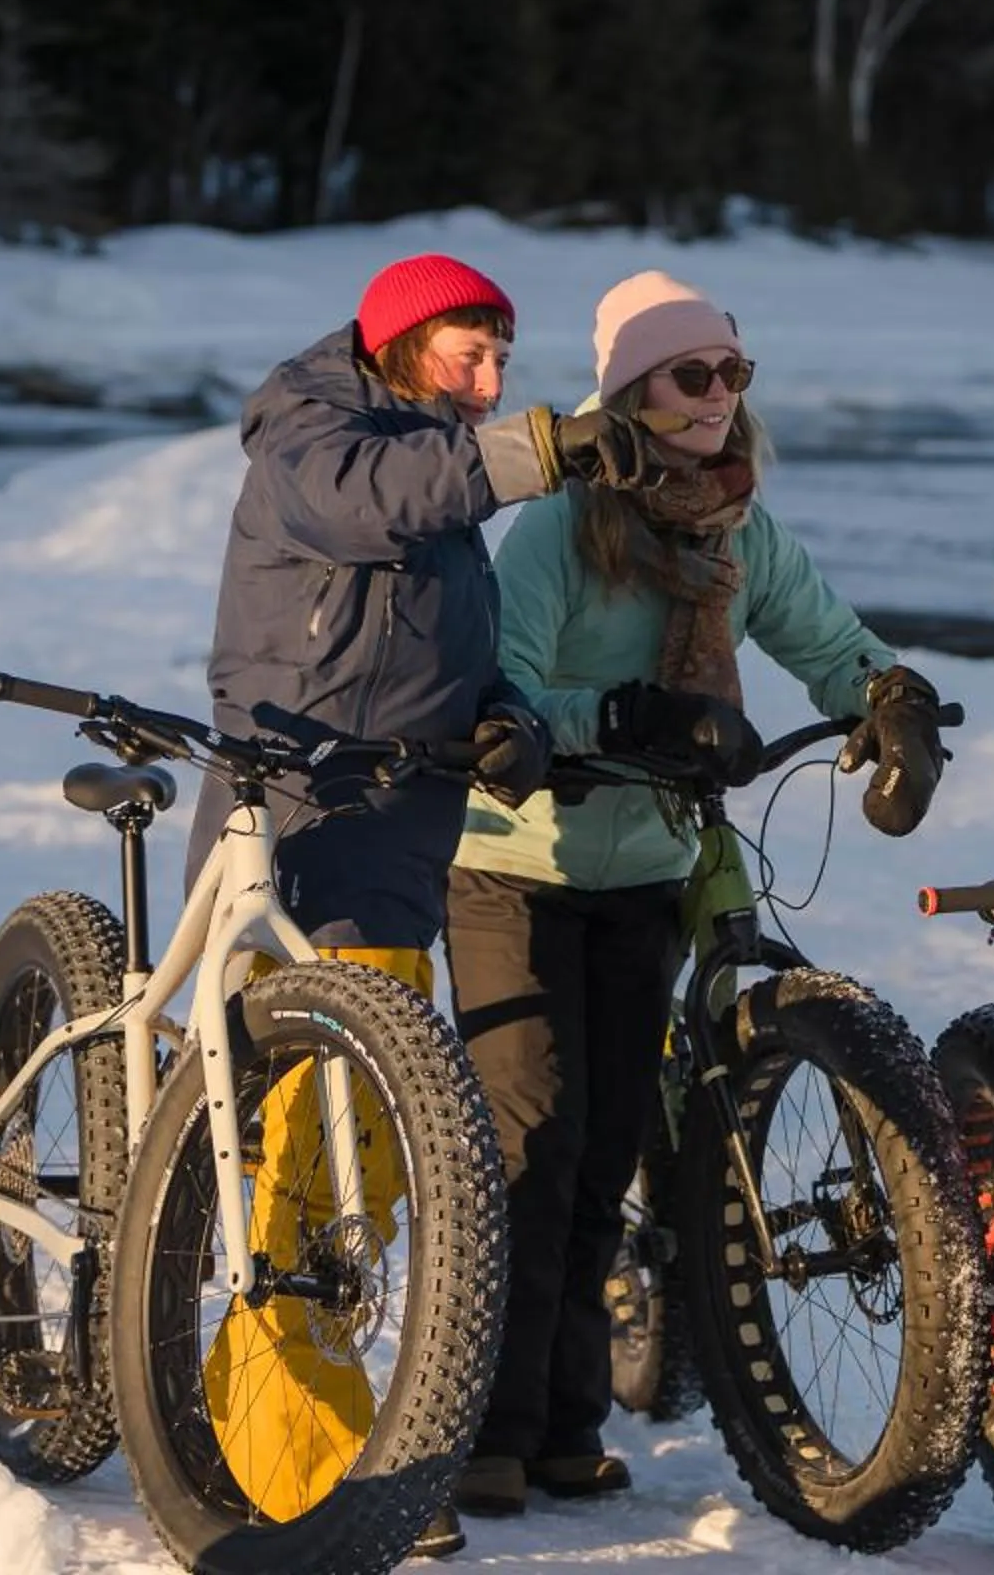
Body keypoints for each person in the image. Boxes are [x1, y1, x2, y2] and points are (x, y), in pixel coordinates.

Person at [442, 269, 947, 1522]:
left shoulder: (738, 527)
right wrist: (616, 713)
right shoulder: (564, 525)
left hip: (652, 862)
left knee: (613, 1135)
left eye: (733, 373)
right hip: (516, 863)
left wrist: (890, 699)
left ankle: (566, 1420)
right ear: (630, 396)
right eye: (691, 376)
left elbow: (826, 639)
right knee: (535, 1135)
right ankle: (486, 1427)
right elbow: (494, 685)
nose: (718, 397)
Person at [192, 250, 666, 1560]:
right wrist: (537, 447)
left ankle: (341, 1418)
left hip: (402, 833)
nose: (492, 378)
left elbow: (461, 643)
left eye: (505, 358)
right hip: (299, 819)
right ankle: (310, 1466)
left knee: (371, 1167)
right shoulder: (315, 431)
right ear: (400, 339)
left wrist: (508, 722)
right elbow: (365, 503)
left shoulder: (441, 478)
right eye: (472, 352)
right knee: (298, 1155)